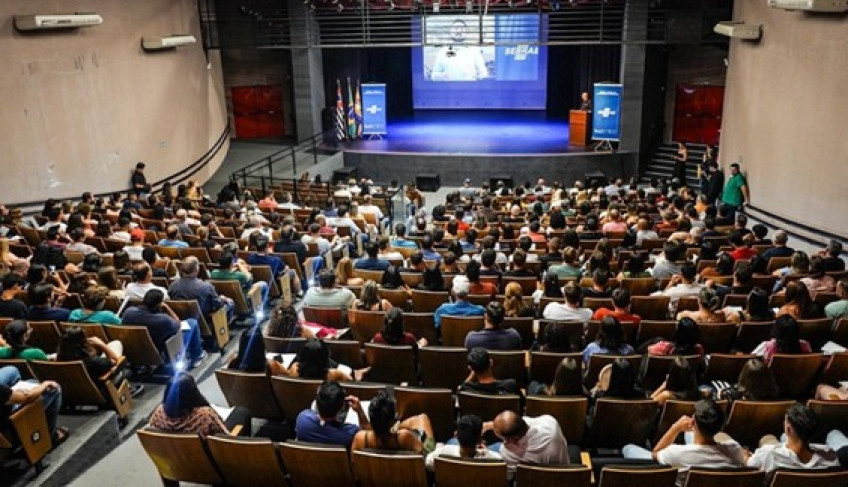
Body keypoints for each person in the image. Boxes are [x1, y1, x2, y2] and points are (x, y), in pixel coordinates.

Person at [624, 400, 746, 484]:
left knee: (628, 448)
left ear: (693, 423)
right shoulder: (735, 450)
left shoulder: (676, 453)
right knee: (688, 434)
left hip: (677, 461)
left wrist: (675, 428)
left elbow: (655, 453)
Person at [744, 404, 839, 479]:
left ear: (788, 429)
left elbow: (749, 465)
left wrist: (745, 454)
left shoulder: (769, 454)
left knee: (768, 438)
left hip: (774, 452)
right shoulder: (830, 456)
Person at [123, 289, 206, 368]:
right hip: (163, 346)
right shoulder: (163, 319)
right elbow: (178, 324)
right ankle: (196, 356)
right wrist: (167, 308)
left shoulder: (128, 312)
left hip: (136, 348)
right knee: (192, 322)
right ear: (159, 304)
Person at [148, 372, 250, 436]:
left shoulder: (159, 412)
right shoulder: (205, 415)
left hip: (177, 460)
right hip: (208, 459)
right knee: (242, 412)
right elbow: (225, 436)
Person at [0, 365, 67, 446]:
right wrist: (45, 384)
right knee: (53, 389)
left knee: (12, 371)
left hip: (7, 403)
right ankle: (50, 436)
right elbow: (28, 397)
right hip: (8, 428)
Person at [351, 390, 435, 454]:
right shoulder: (404, 437)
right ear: (393, 421)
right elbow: (423, 457)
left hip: (371, 476)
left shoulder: (360, 438)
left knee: (413, 421)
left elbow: (353, 464)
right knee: (423, 418)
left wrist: (360, 412)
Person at [485, 411, 569, 474]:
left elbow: (508, 476)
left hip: (533, 480)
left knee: (491, 449)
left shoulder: (509, 454)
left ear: (510, 440)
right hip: (562, 470)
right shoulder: (550, 422)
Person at [295, 381, 369, 448]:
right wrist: (360, 412)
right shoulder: (350, 433)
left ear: (316, 403)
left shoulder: (302, 419)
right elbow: (369, 436)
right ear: (342, 407)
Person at [168, 257, 235, 322]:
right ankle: (223, 330)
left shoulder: (172, 285)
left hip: (180, 319)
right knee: (230, 303)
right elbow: (218, 305)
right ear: (196, 270)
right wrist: (223, 299)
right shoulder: (206, 286)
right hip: (203, 319)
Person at [425, 414, 501, 471]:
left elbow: (428, 463)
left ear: (455, 435)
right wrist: (486, 451)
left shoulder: (442, 453)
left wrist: (439, 448)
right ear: (480, 441)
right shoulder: (495, 459)